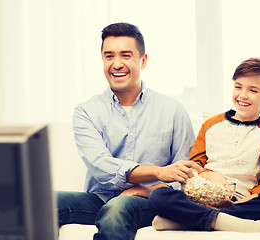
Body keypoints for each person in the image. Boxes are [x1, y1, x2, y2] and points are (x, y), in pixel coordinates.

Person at [56, 22, 202, 240]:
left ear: (143, 61)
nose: (117, 64)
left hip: (150, 200)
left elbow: (185, 175)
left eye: (126, 55)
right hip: (100, 199)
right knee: (40, 202)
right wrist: (157, 171)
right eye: (109, 56)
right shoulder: (86, 111)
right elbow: (102, 167)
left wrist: (151, 188)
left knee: (118, 209)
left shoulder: (172, 110)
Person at [148, 58, 260, 232]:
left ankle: (192, 220)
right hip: (203, 198)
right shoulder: (210, 124)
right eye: (238, 86)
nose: (243, 95)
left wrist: (248, 199)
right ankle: (237, 223)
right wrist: (212, 177)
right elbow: (193, 168)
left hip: (241, 200)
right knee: (158, 196)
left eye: (253, 90)